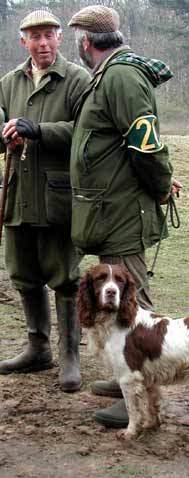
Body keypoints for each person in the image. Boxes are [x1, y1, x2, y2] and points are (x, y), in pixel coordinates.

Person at [68, 4, 181, 427]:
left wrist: (159, 184)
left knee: (137, 309)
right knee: (121, 308)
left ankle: (140, 397)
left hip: (122, 213)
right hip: (108, 210)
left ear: (85, 41)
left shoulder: (121, 76)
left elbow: (146, 144)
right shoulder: (110, 73)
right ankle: (124, 378)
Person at [0, 10, 91, 392]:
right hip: (18, 194)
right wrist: (7, 135)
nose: (42, 44)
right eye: (34, 37)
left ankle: (70, 355)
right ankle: (37, 349)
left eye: (49, 36)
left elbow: (87, 132)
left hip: (58, 197)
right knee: (23, 273)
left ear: (60, 39)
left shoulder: (77, 80)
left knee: (65, 278)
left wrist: (36, 130)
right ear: (24, 42)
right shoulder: (8, 83)